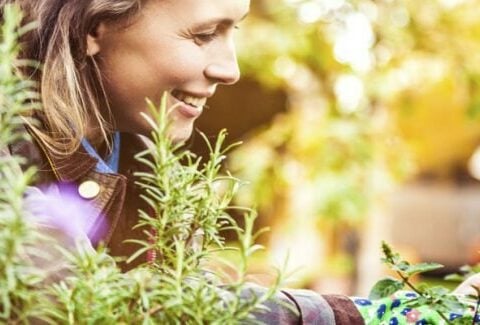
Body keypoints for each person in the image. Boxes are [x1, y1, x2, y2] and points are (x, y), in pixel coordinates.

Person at [0, 0, 477, 324]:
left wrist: (419, 313)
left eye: (234, 32)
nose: (230, 69)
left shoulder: (140, 155)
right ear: (92, 29)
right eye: (204, 34)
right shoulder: (10, 159)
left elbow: (197, 300)